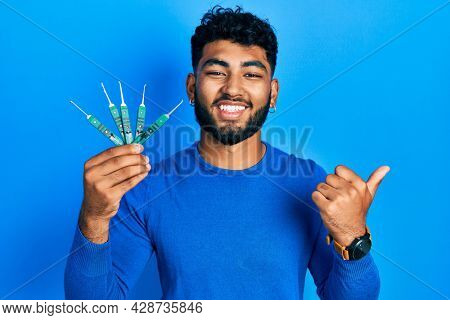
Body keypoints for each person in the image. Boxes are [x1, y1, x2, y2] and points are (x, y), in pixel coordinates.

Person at [64, 5, 389, 299]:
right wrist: (93, 217)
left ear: (272, 93)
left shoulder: (310, 184)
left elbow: (349, 307)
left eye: (251, 74)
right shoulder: (147, 188)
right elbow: (93, 307)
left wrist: (353, 238)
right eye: (217, 72)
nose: (233, 88)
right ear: (192, 88)